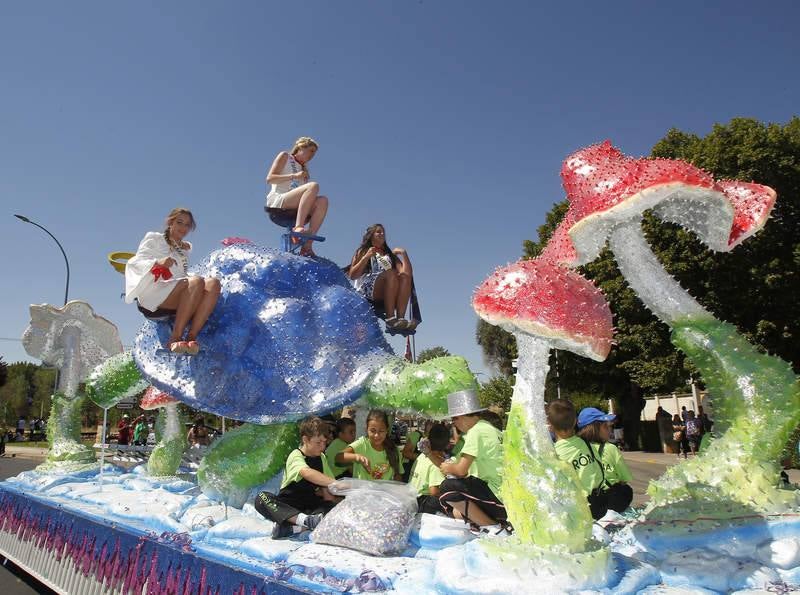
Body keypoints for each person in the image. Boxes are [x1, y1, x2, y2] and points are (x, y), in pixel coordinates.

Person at [125, 208, 221, 355]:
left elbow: (181, 276)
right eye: (179, 222)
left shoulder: (183, 250)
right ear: (170, 222)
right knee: (196, 281)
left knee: (213, 283)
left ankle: (191, 338)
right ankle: (174, 338)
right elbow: (136, 261)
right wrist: (157, 262)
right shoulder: (154, 238)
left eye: (187, 225)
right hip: (152, 294)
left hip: (172, 292)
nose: (183, 228)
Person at [254, 417, 339, 539]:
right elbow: (307, 473)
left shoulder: (322, 457)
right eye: (318, 443)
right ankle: (304, 521)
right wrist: (335, 483)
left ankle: (293, 528)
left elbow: (326, 488)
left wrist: (331, 505)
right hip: (289, 509)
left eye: (324, 442)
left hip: (310, 507)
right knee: (262, 497)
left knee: (333, 508)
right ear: (305, 439)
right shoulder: (296, 455)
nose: (323, 447)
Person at [437, 390, 507, 533]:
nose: (454, 424)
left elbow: (461, 471)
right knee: (458, 512)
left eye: (454, 420)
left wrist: (447, 467)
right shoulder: (491, 429)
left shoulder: (476, 431)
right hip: (506, 495)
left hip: (497, 496)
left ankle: (495, 529)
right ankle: (492, 525)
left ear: (461, 416)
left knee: (447, 488)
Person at [265, 136, 328, 257]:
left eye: (314, 153)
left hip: (295, 206)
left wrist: (301, 177)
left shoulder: (304, 171)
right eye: (311, 151)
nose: (312, 155)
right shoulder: (285, 156)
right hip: (278, 201)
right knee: (313, 186)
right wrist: (294, 176)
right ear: (300, 147)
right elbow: (270, 178)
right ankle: (298, 227)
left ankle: (307, 244)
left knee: (323, 201)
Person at [348, 224, 417, 331]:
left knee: (404, 277)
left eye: (383, 232)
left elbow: (407, 275)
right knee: (391, 273)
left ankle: (400, 319)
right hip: (366, 293)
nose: (382, 234)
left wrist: (404, 254)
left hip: (388, 291)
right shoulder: (362, 251)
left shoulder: (389, 255)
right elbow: (352, 275)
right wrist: (366, 257)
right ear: (371, 235)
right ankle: (390, 320)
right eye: (378, 232)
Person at [549, 399, 609, 520]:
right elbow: (599, 471)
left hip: (574, 511)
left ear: (550, 425)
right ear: (575, 421)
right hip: (597, 505)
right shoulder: (587, 445)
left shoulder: (553, 454)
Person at [576, 407, 634, 515]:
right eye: (606, 427)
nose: (610, 430)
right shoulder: (610, 448)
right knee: (626, 490)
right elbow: (625, 478)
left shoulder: (577, 449)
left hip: (586, 504)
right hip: (611, 502)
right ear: (595, 428)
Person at [336, 410, 403, 481]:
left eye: (381, 431)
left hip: (383, 491)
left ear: (387, 430)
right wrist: (357, 457)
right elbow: (338, 457)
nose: (376, 435)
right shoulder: (362, 444)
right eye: (373, 431)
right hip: (362, 491)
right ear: (366, 430)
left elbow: (398, 475)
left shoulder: (394, 449)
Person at [409, 423, 449, 514]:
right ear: (447, 444)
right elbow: (434, 491)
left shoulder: (421, 456)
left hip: (412, 499)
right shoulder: (437, 463)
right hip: (422, 503)